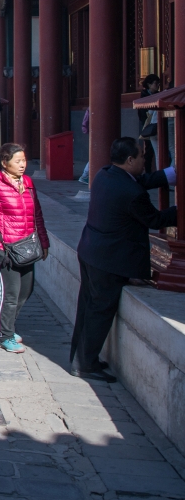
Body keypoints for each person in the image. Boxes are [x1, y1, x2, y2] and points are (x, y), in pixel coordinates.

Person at [70, 137, 176, 383]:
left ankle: (83, 357)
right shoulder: (131, 193)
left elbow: (142, 180)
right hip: (108, 259)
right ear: (130, 160)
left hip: (91, 250)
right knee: (99, 310)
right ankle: (85, 364)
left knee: (87, 307)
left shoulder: (105, 174)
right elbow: (154, 220)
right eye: (141, 157)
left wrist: (170, 174)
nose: (144, 161)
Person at [0, 143, 49, 353]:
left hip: (27, 244)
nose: (22, 165)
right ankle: (5, 335)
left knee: (25, 291)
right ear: (5, 163)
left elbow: (37, 213)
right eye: (17, 161)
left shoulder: (28, 182)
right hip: (5, 246)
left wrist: (43, 241)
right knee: (10, 292)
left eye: (24, 160)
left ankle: (0, 323)